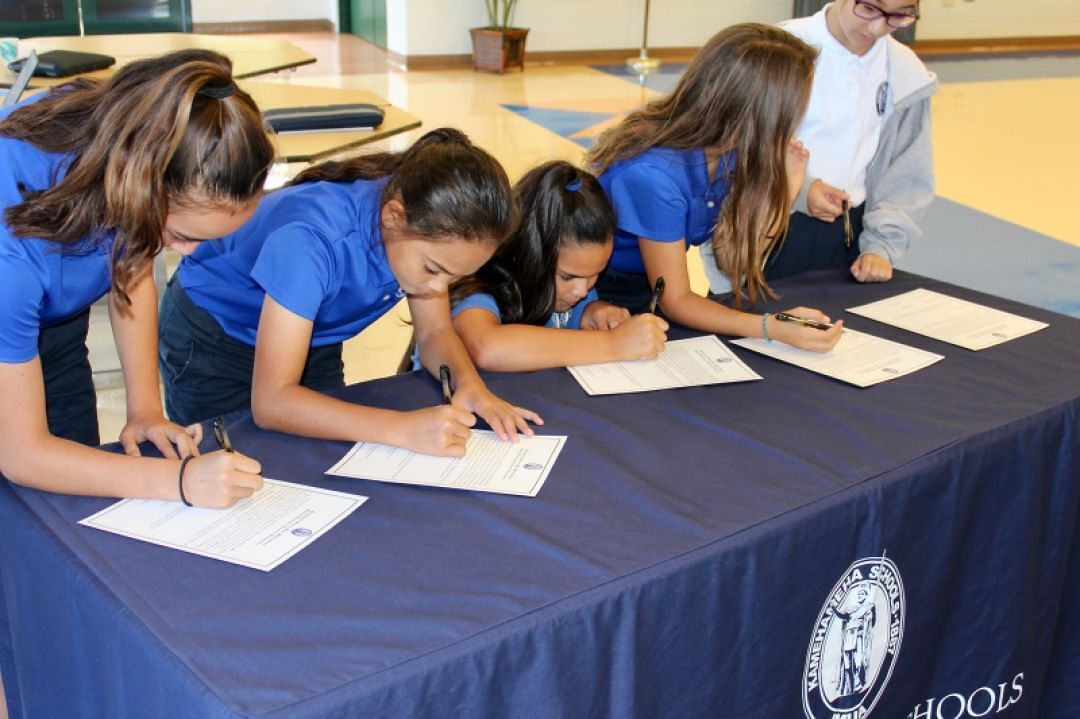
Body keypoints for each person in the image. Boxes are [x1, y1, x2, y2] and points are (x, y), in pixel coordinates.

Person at [159, 128, 541, 458]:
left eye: (455, 278)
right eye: (433, 269)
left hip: (312, 336)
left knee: (324, 456)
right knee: (229, 461)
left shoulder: (418, 221)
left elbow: (435, 333)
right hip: (214, 341)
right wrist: (401, 428)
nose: (438, 289)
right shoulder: (313, 240)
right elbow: (273, 402)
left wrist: (470, 385)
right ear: (393, 217)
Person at [0, 50, 274, 508]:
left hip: (50, 317)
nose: (188, 253)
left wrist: (145, 407)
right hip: (15, 297)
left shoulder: (134, 138)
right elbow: (22, 454)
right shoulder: (11, 259)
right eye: (181, 236)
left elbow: (132, 267)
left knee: (71, 490)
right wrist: (179, 482)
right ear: (141, 186)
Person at [588, 23, 843, 352]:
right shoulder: (654, 175)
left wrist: (788, 188)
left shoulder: (730, 150)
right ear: (758, 113)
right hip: (598, 294)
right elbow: (676, 299)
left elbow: (734, 261)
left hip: (652, 288)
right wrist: (772, 327)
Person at [703, 0, 937, 288]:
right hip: (766, 222)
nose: (877, 28)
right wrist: (801, 190)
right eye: (869, 9)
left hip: (848, 233)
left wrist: (881, 245)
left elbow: (907, 172)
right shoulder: (775, 49)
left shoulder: (906, 72)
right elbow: (733, 148)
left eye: (899, 16)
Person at [446, 160, 668, 371]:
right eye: (568, 277)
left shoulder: (574, 290)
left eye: (596, 274)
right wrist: (612, 343)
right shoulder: (482, 284)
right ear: (526, 253)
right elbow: (486, 348)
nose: (582, 291)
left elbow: (576, 312)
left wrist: (592, 310)